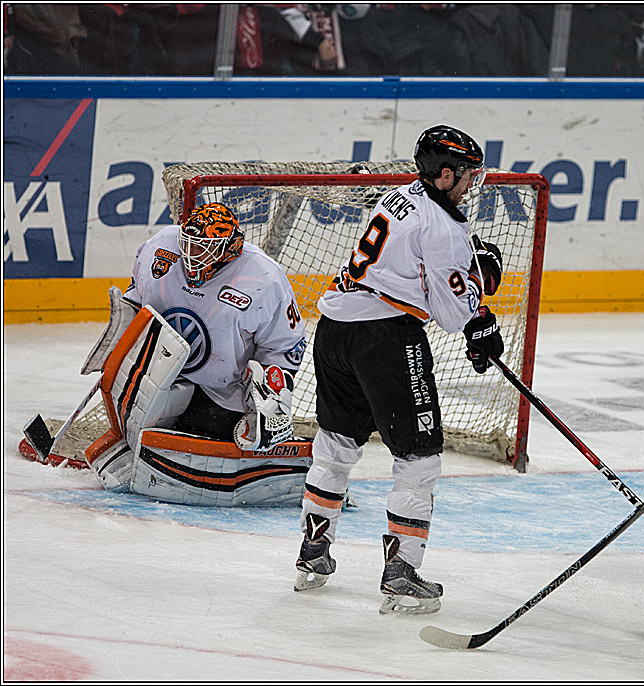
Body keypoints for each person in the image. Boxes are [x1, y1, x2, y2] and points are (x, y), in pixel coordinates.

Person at [293, 124, 505, 616]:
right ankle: (402, 573)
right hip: (385, 340)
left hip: (334, 328)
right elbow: (452, 313)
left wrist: (473, 293)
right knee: (419, 458)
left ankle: (312, 553)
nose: (474, 182)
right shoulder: (445, 226)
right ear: (446, 174)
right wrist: (480, 286)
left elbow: (418, 272)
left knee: (336, 445)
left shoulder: (399, 197)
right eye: (469, 174)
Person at [83, 202, 309, 505]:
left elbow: (286, 347)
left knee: (201, 431)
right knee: (137, 424)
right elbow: (136, 306)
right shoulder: (160, 247)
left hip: (221, 393)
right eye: (188, 245)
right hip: (156, 375)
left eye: (204, 249)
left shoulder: (264, 279)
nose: (192, 255)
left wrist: (270, 401)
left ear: (230, 249)